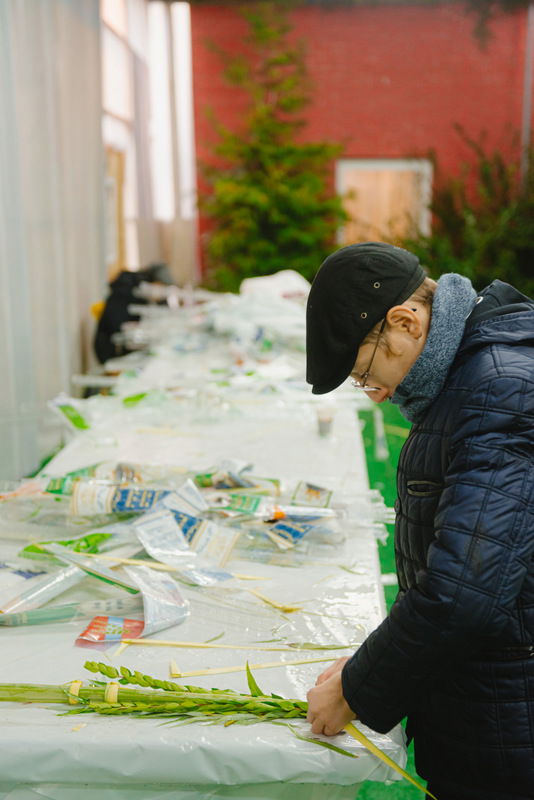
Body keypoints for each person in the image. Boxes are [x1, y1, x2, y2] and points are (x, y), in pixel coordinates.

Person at [304, 242, 534, 800]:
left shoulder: (497, 388)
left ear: (406, 321)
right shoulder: (469, 377)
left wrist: (357, 688)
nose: (376, 393)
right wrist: (371, 658)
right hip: (488, 707)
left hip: (508, 730)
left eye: (365, 372)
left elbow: (463, 593)